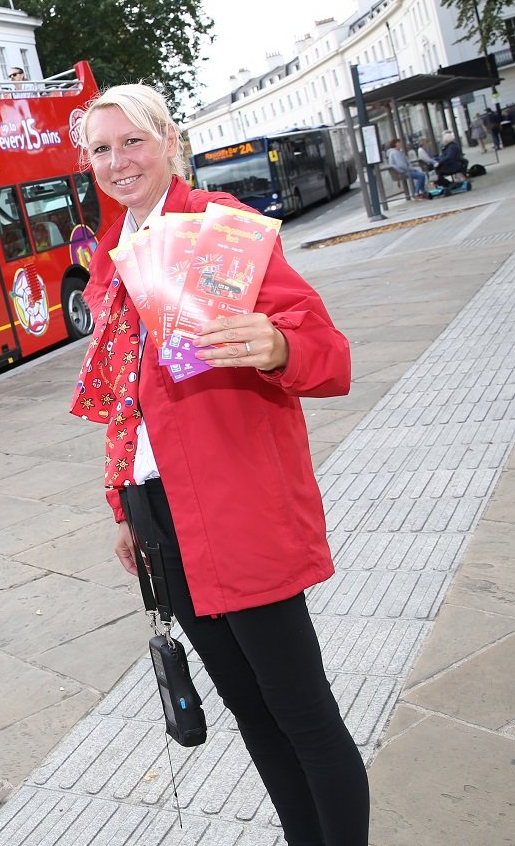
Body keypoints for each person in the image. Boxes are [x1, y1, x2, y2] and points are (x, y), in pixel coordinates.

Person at [72, 83, 368, 845]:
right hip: (161, 517)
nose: (118, 160)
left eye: (131, 141)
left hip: (235, 502)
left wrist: (277, 345)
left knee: (303, 712)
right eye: (101, 149)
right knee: (249, 709)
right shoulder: (110, 259)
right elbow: (123, 402)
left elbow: (328, 353)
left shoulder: (220, 230)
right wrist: (124, 509)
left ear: (169, 139)